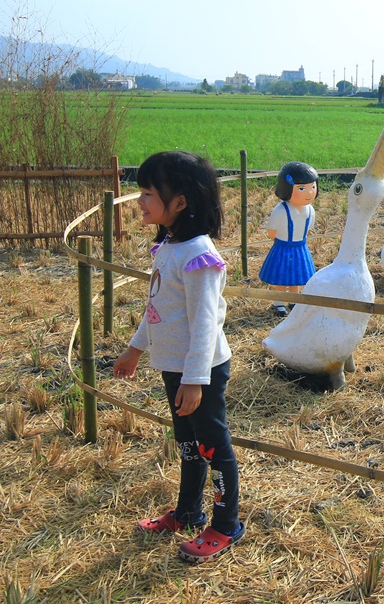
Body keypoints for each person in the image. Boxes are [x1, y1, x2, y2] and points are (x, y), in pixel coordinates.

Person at [113, 151, 244, 564]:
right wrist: (136, 349)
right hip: (176, 367)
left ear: (180, 202)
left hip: (199, 371)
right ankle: (188, 512)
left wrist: (195, 379)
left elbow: (206, 325)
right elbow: (158, 309)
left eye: (148, 193)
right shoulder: (170, 245)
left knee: (212, 447)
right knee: (188, 445)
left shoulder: (198, 257)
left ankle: (225, 525)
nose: (140, 201)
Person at [258, 161, 318, 317]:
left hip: (300, 247)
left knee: (297, 276)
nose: (309, 193)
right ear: (287, 189)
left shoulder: (310, 210)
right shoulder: (280, 210)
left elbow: (308, 229)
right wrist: (280, 243)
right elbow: (272, 231)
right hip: (283, 247)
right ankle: (278, 302)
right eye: (301, 189)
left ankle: (293, 300)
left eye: (312, 187)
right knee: (281, 276)